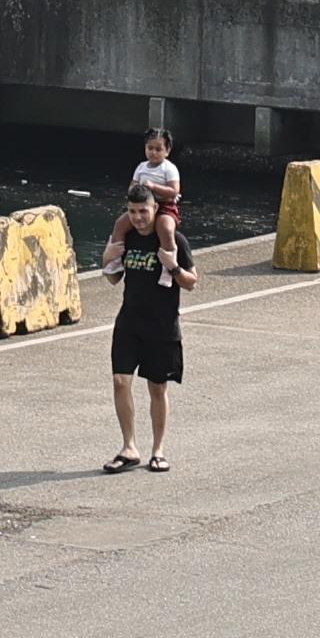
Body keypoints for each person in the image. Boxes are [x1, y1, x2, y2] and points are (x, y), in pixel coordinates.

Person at [100, 188, 187, 472]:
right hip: (129, 324)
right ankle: (129, 447)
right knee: (120, 381)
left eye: (143, 211)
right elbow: (113, 278)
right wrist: (106, 258)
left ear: (154, 210)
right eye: (132, 211)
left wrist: (173, 268)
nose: (137, 218)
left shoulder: (175, 240)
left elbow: (191, 282)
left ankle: (158, 450)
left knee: (157, 388)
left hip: (161, 326)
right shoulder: (126, 238)